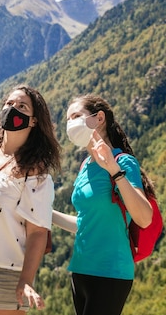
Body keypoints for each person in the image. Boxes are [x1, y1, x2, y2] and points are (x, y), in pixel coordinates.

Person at [52, 94, 154, 315]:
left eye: (76, 116)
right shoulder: (85, 167)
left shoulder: (122, 162)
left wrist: (113, 170)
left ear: (99, 118)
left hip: (110, 271)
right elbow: (86, 222)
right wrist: (45, 213)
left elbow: (145, 218)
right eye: (68, 120)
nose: (71, 124)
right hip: (80, 269)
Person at [0, 85, 61, 315]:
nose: (12, 109)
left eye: (21, 107)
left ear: (34, 121)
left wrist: (26, 280)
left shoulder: (36, 173)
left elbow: (38, 232)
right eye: (9, 104)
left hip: (4, 272)